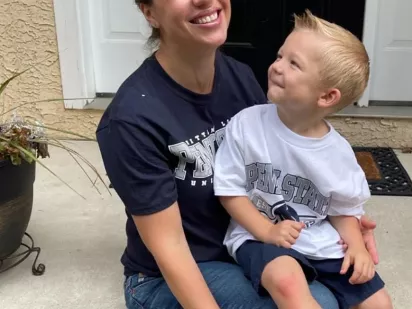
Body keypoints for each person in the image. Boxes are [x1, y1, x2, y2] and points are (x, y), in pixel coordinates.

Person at [95, 0, 379, 308]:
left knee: (346, 289)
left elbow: (283, 166)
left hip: (246, 246)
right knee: (318, 300)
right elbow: (170, 247)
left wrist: (346, 228)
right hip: (165, 278)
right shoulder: (132, 119)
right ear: (149, 12)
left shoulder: (238, 77)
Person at [213, 10, 393, 309]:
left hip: (320, 242)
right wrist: (266, 231)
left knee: (378, 303)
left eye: (294, 64)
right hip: (258, 239)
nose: (277, 67)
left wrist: (357, 247)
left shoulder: (337, 153)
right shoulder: (246, 125)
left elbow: (341, 209)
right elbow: (229, 192)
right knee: (289, 283)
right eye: (280, 56)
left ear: (326, 97)